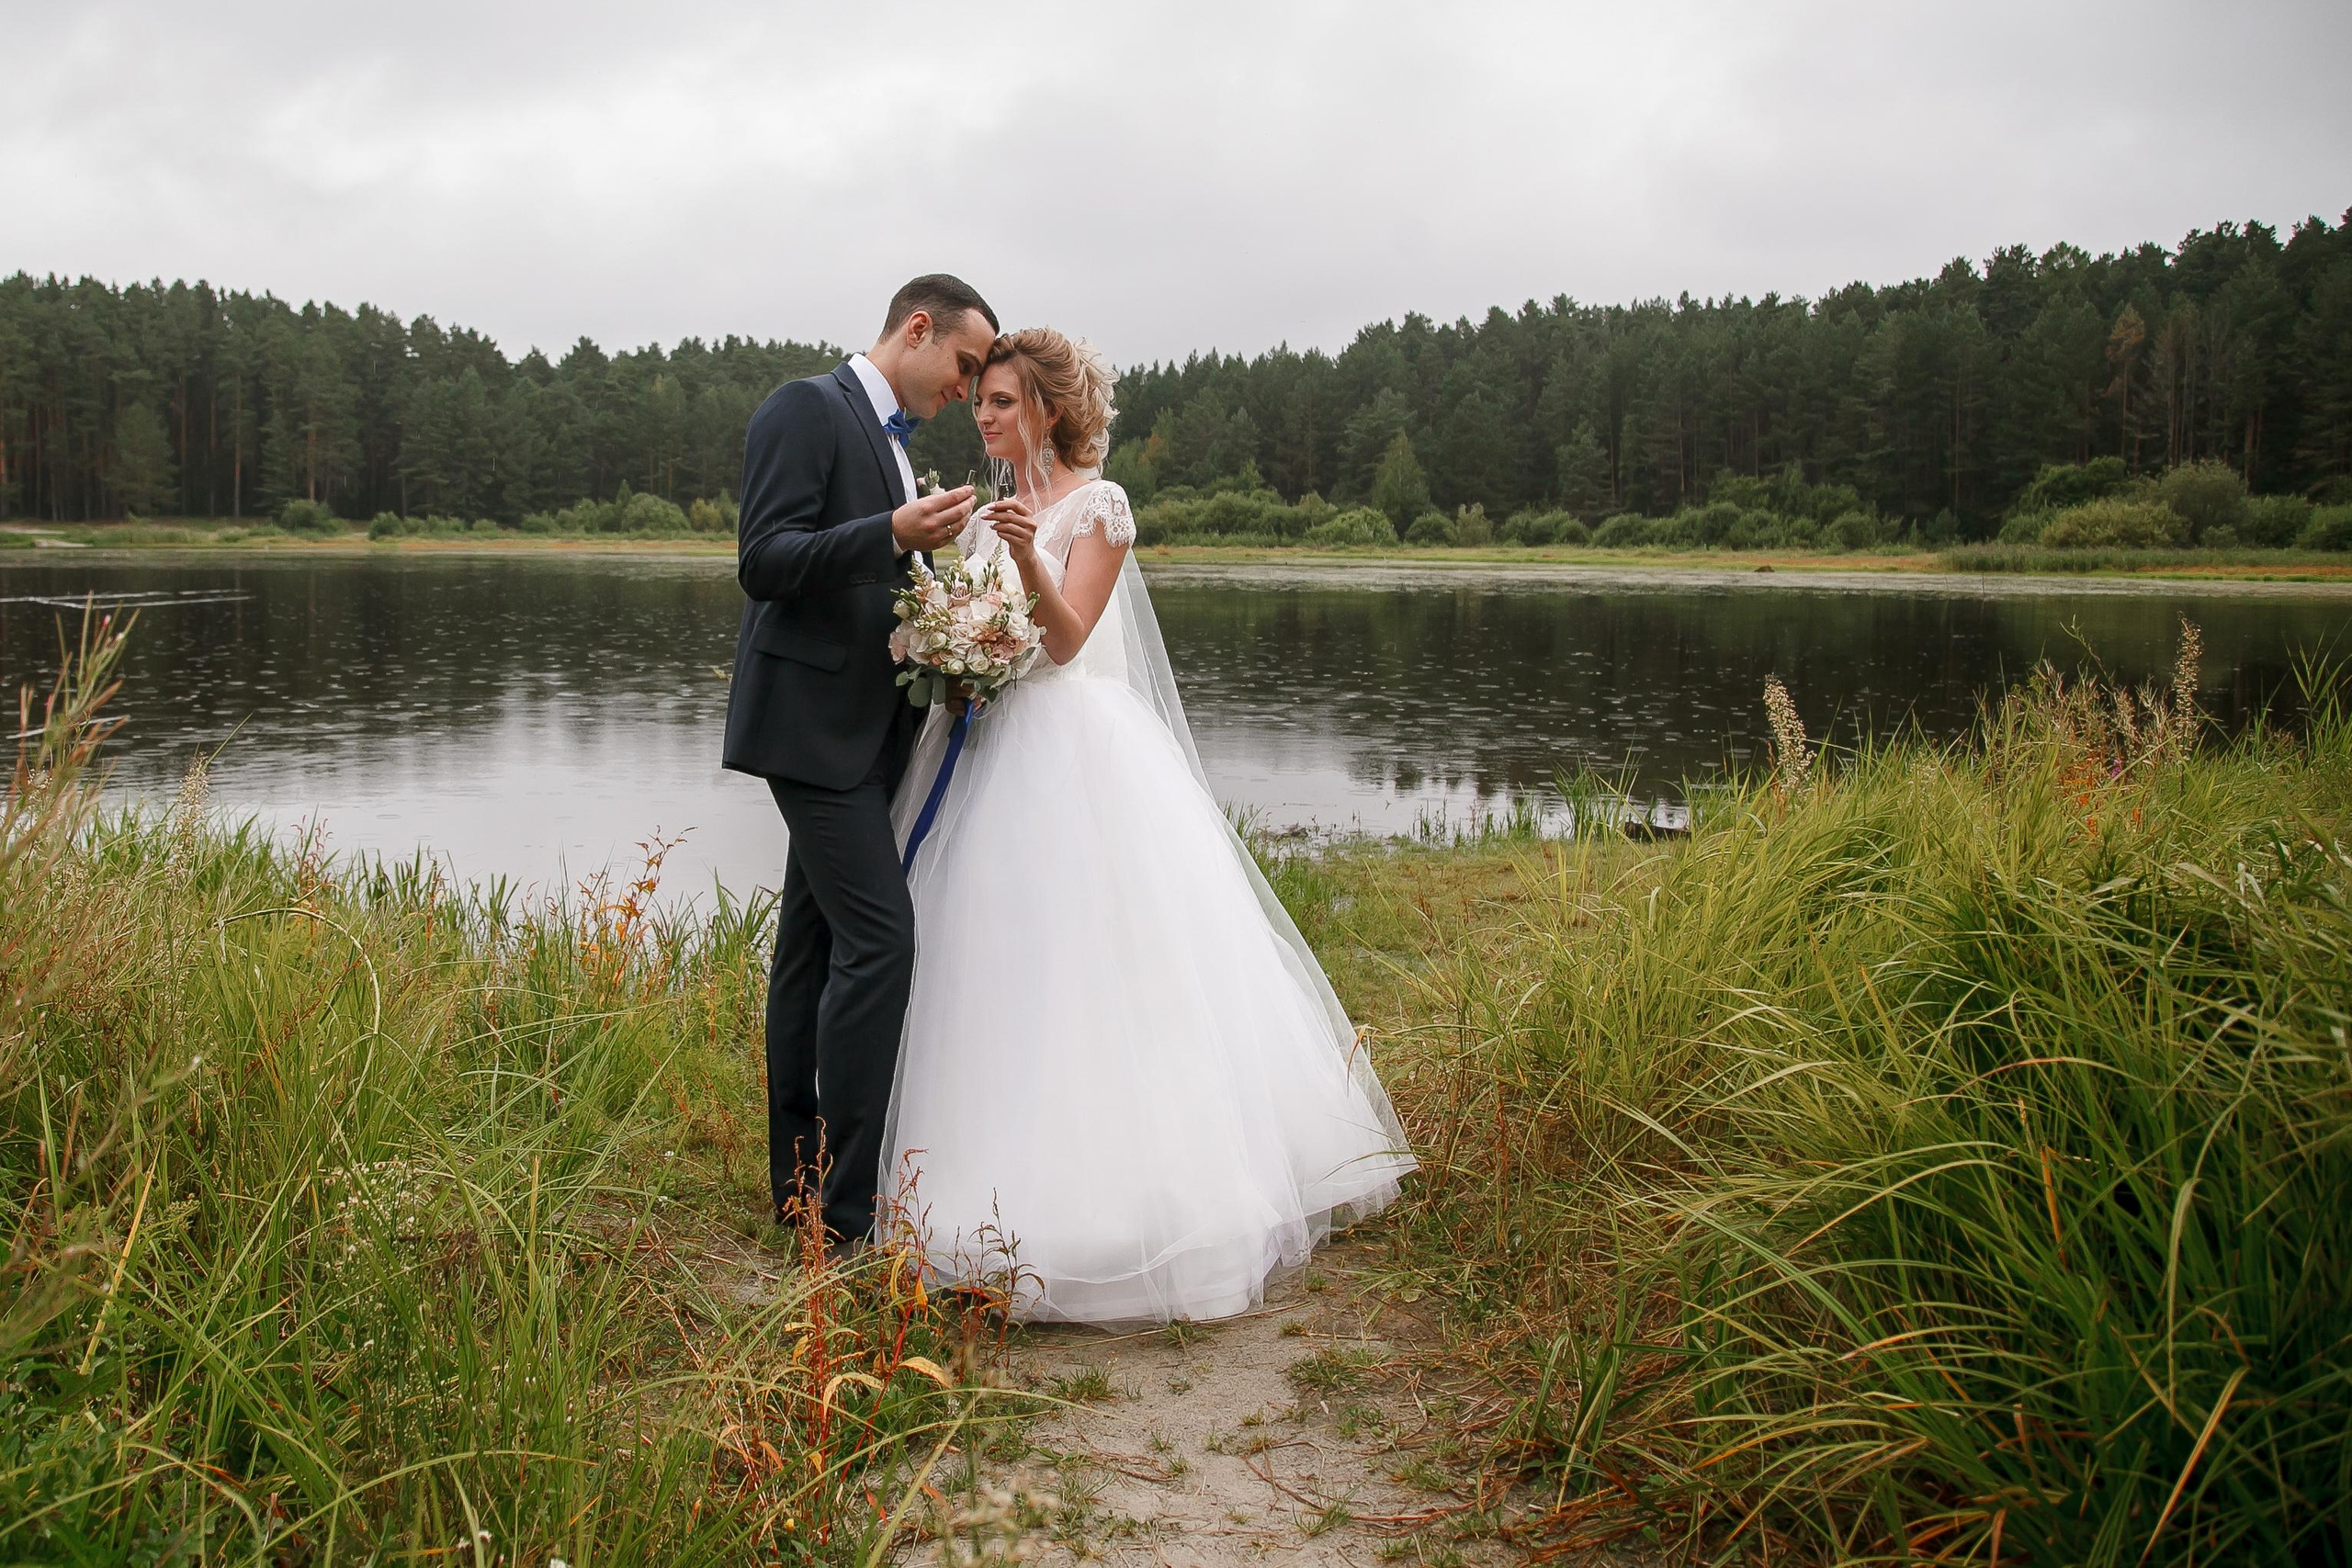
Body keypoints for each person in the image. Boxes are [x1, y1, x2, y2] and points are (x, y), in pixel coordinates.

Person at [882, 328, 1416, 1325]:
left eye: (1000, 401)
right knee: (989, 957)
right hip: (983, 746)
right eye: (981, 401)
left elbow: (1070, 638)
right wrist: (947, 641)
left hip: (1071, 749)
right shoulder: (979, 508)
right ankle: (962, 1190)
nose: (985, 416)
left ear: (1045, 407)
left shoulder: (1099, 505)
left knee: (1096, 964)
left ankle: (1122, 1209)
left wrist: (1016, 560)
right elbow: (970, 624)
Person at [721, 274, 997, 1253]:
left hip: (862, 736)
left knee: (809, 955)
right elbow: (763, 558)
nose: (965, 390)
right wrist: (888, 532)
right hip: (808, 733)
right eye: (962, 365)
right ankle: (847, 1217)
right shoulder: (807, 407)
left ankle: (800, 1193)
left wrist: (942, 616)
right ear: (916, 330)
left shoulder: (892, 447)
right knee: (882, 943)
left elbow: (862, 583)